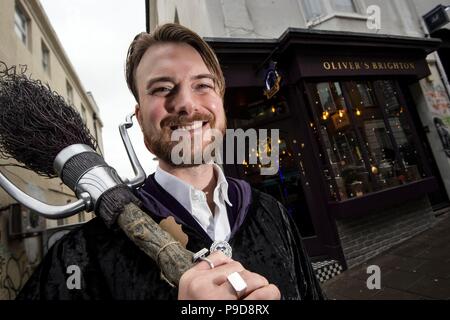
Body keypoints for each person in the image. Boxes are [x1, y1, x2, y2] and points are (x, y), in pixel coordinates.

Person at [16, 23, 323, 300]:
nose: (186, 104)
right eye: (162, 89)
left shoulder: (274, 214)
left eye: (202, 84)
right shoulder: (81, 255)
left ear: (221, 100)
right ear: (139, 118)